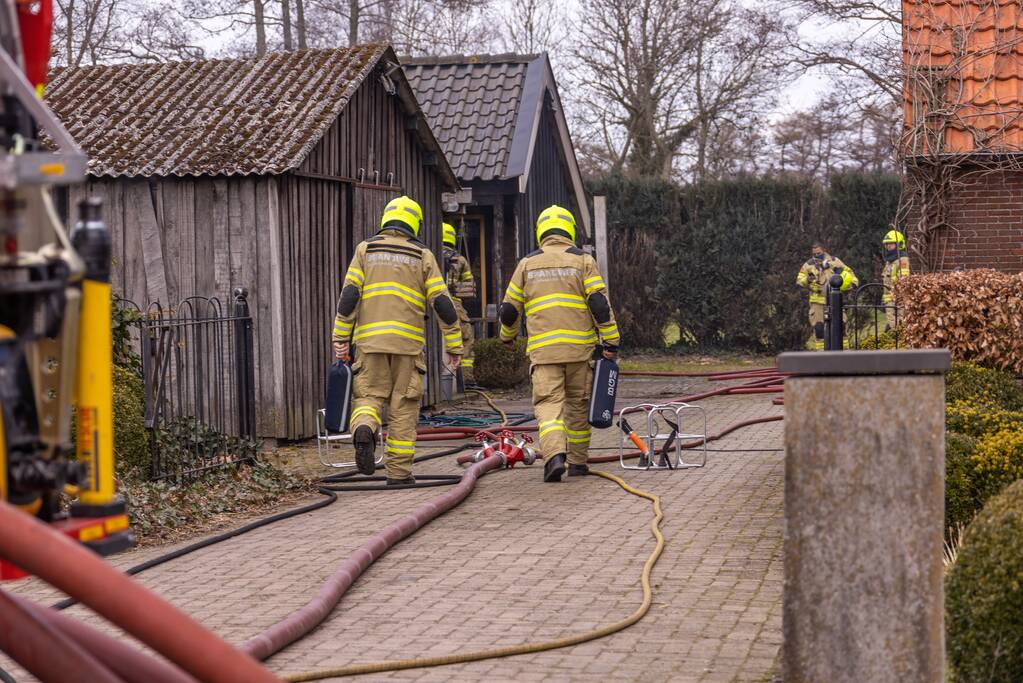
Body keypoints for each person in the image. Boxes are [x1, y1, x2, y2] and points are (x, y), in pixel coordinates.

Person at [331, 196, 463, 485]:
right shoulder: (422, 255)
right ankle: (399, 474)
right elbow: (442, 303)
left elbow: (349, 296)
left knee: (368, 398)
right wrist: (454, 344)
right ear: (414, 224)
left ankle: (364, 429)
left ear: (385, 220)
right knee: (404, 407)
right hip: (408, 346)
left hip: (370, 343)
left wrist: (341, 338)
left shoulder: (365, 250)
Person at [499, 204, 621, 482]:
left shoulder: (527, 263)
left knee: (549, 405)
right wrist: (611, 340)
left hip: (544, 354)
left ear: (541, 230)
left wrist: (507, 338)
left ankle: (554, 456)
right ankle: (578, 463)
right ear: (570, 230)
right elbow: (599, 304)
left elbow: (508, 309)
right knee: (578, 406)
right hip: (579, 351)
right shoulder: (583, 261)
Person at [796, 242, 858, 350]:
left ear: (824, 250)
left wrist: (849, 284)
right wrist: (807, 279)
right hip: (817, 304)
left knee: (841, 328)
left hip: (835, 301)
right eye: (814, 254)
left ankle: (845, 354)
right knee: (819, 330)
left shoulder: (835, 261)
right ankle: (822, 356)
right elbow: (799, 281)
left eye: (819, 253)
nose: (816, 256)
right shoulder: (808, 265)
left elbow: (851, 276)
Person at [442, 222, 477, 384]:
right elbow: (468, 286)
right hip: (454, 304)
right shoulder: (460, 260)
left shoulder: (428, 255)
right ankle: (465, 379)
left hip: (433, 304)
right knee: (466, 338)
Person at [881, 229, 910, 330]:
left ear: (899, 244)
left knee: (899, 324)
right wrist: (884, 300)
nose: (888, 246)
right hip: (889, 301)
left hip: (898, 299)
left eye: (891, 244)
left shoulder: (902, 261)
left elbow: (904, 281)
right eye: (887, 244)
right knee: (892, 325)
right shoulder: (890, 262)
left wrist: (898, 298)